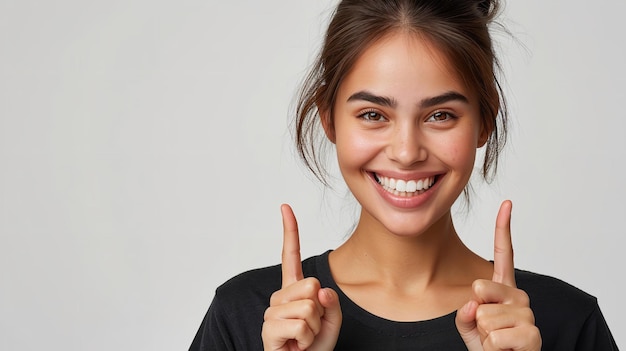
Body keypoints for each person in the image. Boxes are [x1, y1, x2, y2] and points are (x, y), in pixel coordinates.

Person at [190, 0, 618, 350]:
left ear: (484, 123)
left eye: (441, 115)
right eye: (374, 114)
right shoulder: (246, 317)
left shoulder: (566, 323)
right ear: (329, 120)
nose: (407, 152)